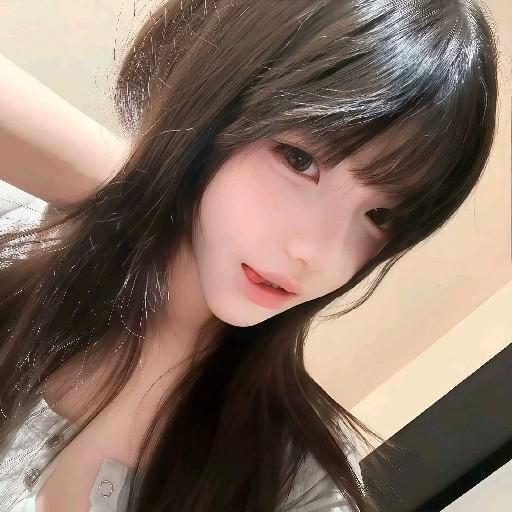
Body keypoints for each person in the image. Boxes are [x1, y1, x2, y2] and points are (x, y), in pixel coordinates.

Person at [0, 0, 500, 511]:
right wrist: (134, 187)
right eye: (299, 160)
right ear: (215, 100)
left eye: (379, 215)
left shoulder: (296, 486)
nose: (316, 253)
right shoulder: (13, 232)